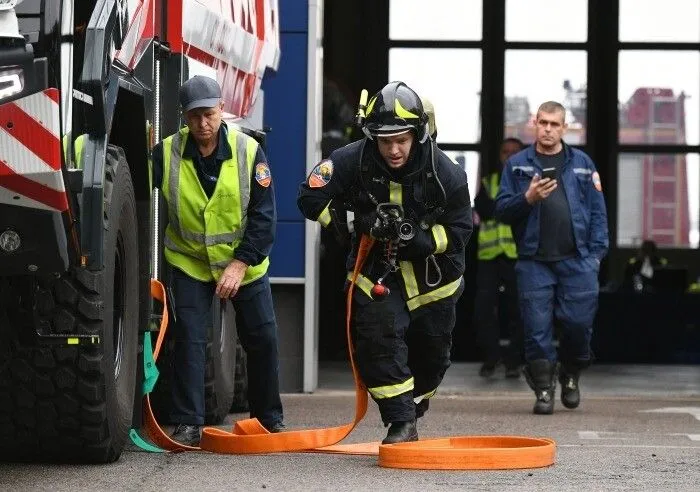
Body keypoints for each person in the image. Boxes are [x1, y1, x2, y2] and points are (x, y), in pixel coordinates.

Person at [297, 81, 473, 443]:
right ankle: (400, 421)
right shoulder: (351, 160)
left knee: (433, 356)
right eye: (384, 140)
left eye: (402, 140)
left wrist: (423, 241)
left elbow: (459, 231)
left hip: (433, 280)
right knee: (378, 341)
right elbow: (308, 198)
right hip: (376, 273)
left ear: (418, 135)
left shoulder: (447, 173)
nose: (393, 149)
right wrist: (356, 223)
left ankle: (413, 406)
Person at [151, 75, 285, 446]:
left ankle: (268, 419)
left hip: (244, 264)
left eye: (209, 114)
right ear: (184, 116)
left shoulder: (248, 152)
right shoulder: (165, 154)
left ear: (222, 109)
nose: (203, 124)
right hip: (190, 262)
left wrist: (240, 264)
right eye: (194, 116)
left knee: (262, 338)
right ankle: (188, 422)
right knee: (190, 340)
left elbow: (263, 216)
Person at [495, 101, 608, 415]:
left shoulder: (583, 163)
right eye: (543, 122)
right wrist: (528, 198)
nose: (547, 129)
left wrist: (596, 256)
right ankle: (544, 389)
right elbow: (501, 210)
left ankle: (570, 374)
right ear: (534, 123)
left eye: (554, 124)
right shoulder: (517, 164)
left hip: (578, 261)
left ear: (565, 127)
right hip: (534, 262)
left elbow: (598, 213)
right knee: (535, 328)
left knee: (579, 325)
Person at [473, 138, 525, 379]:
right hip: (489, 255)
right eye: (506, 152)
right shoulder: (489, 181)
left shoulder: (529, 180)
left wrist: (505, 208)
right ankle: (491, 358)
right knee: (484, 310)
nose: (509, 156)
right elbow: (483, 208)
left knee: (520, 309)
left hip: (518, 255)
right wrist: (513, 207)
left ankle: (514, 360)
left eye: (515, 152)